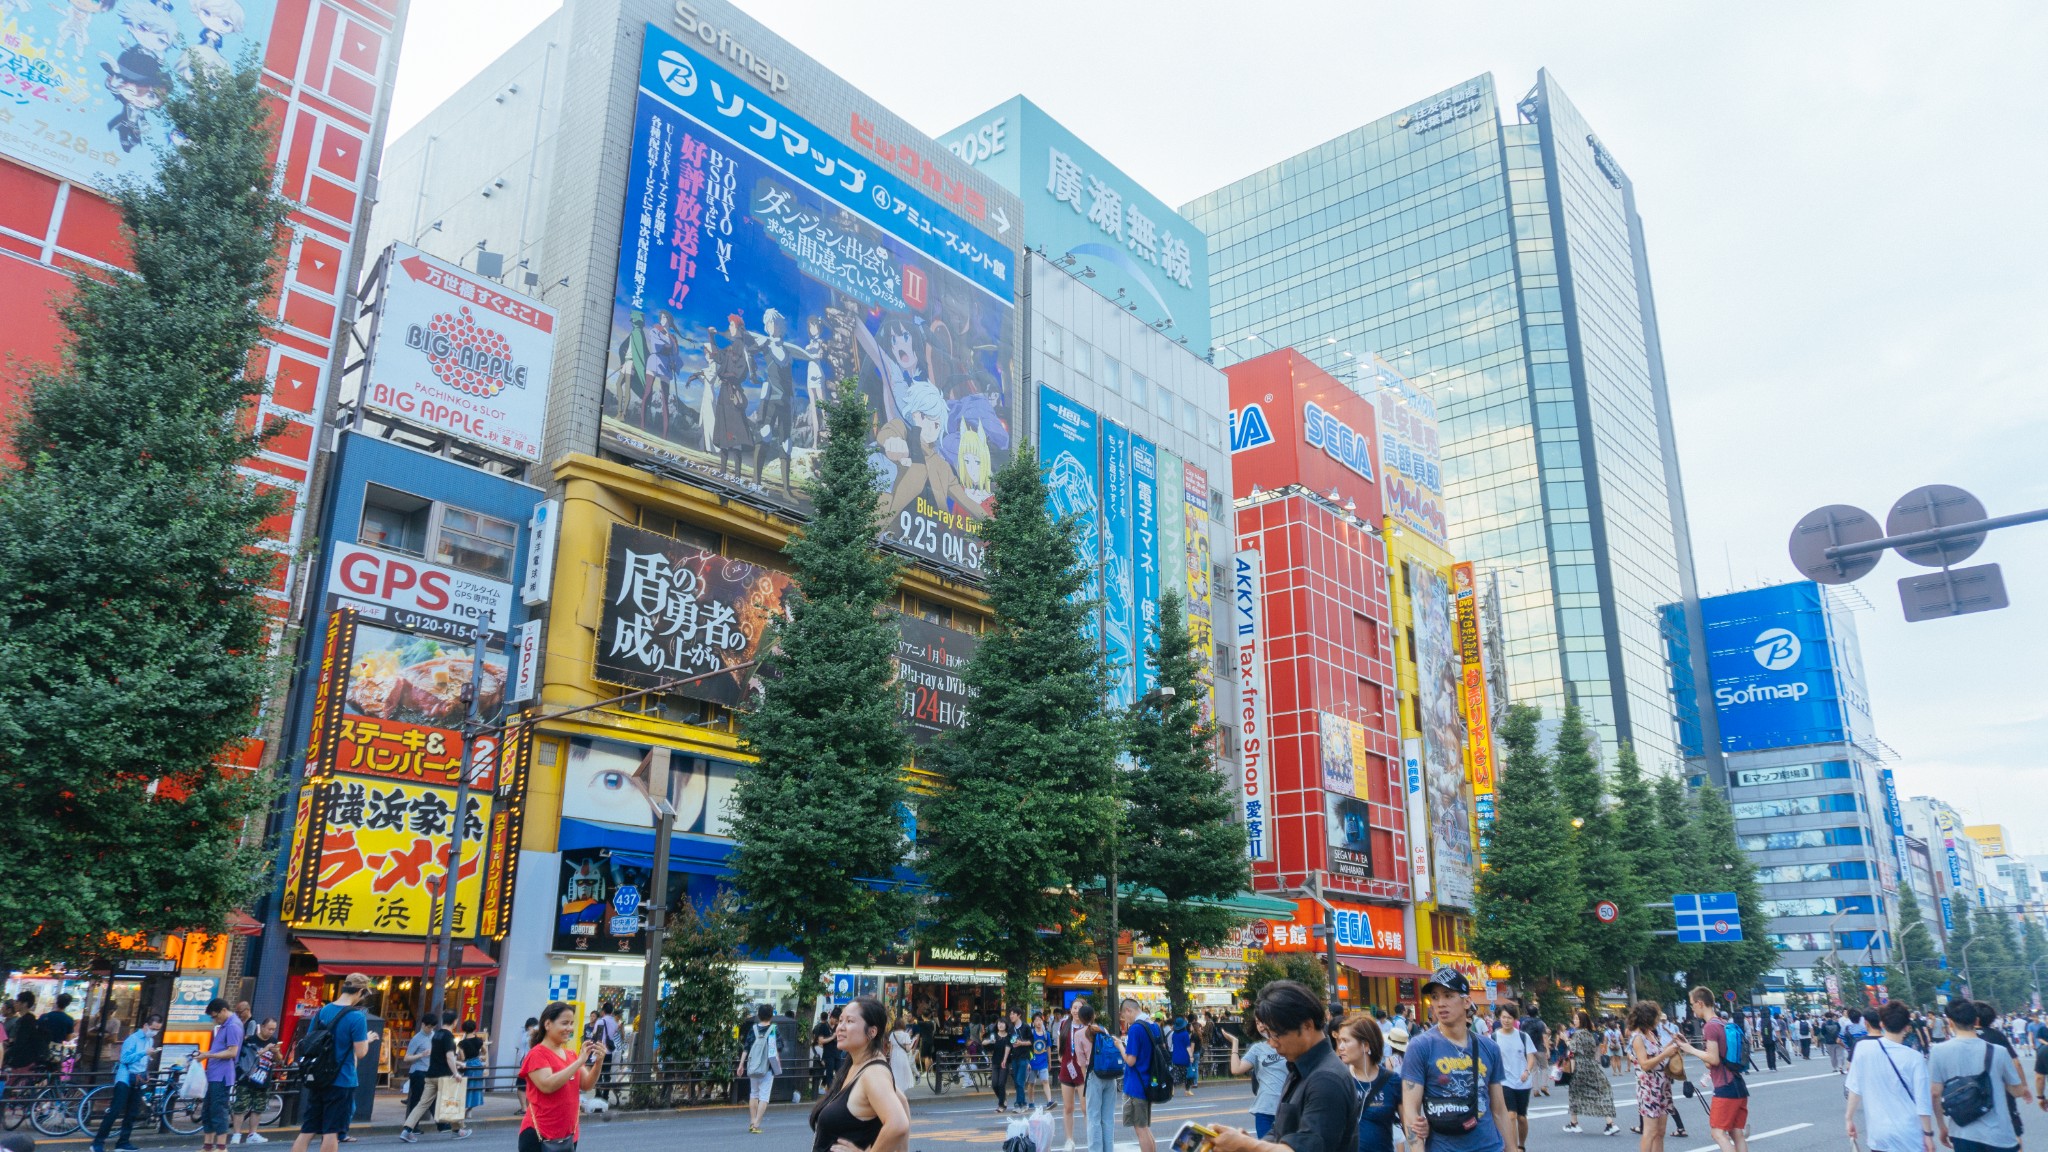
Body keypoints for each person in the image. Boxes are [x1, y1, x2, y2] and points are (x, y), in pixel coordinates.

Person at [1209, 980, 1361, 1152]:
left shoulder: (1326, 1079)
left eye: (1276, 1034)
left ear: (1307, 1025)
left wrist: (1247, 1145)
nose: (1272, 1043)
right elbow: (1280, 1132)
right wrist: (1245, 1144)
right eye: (1268, 1034)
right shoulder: (1298, 1067)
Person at [1393, 967, 1518, 1152]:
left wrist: (1512, 1149)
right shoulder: (1420, 1047)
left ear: (1466, 1001)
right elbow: (1412, 1115)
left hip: (1490, 1146)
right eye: (1435, 997)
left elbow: (1499, 1110)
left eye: (1448, 995)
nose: (1440, 1003)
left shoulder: (1489, 1047)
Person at [807, 996, 909, 1152]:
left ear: (872, 1031)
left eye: (849, 1021)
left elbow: (898, 1124)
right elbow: (902, 1103)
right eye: (840, 1020)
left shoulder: (874, 1073)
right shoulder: (857, 1066)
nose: (840, 1027)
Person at [287, 973, 375, 1152]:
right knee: (331, 1131)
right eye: (363, 994)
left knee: (308, 1129)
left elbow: (309, 1041)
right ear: (359, 991)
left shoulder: (323, 1011)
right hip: (341, 1079)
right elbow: (361, 1052)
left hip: (318, 1077)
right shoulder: (357, 1017)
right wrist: (366, 1039)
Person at [1929, 997, 2024, 1152]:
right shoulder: (1999, 1052)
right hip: (1999, 1134)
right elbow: (2017, 1091)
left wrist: (1942, 1126)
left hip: (1963, 1133)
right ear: (1976, 1020)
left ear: (1950, 1022)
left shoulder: (1938, 1052)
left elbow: (1935, 1094)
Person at [1844, 1002, 1933, 1152]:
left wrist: (1849, 1118)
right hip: (1909, 1135)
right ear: (1906, 1026)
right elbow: (1922, 1100)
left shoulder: (1863, 1048)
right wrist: (1928, 1134)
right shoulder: (1915, 1058)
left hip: (1879, 1134)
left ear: (1882, 1023)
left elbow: (1854, 1088)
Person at [518, 1003, 603, 1152]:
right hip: (539, 1135)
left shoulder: (570, 1055)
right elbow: (547, 1085)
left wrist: (599, 1062)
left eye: (571, 1023)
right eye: (564, 1023)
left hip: (569, 1135)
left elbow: (587, 1084)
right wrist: (579, 1062)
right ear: (548, 1024)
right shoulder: (537, 1054)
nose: (569, 1028)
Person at [1676, 988, 1749, 1152]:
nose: (1692, 1007)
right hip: (1738, 1084)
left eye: (1692, 1004)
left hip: (1725, 1086)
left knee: (1717, 1133)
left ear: (1700, 1003)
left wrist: (1689, 1049)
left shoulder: (1710, 1027)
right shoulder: (1723, 1023)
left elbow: (1713, 1060)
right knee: (1737, 1133)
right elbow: (1713, 1060)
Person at [90, 1013, 159, 1152]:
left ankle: (123, 1142)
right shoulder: (132, 1039)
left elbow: (143, 1060)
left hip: (139, 1079)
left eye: (157, 1029)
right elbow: (125, 1059)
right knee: (115, 1110)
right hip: (125, 1078)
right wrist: (144, 1053)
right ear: (145, 1026)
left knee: (132, 1112)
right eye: (153, 1028)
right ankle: (98, 1143)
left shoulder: (149, 1041)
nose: (154, 1032)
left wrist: (146, 1068)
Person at [1336, 1012, 1401, 1152]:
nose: (1340, 1047)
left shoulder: (1392, 1081)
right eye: (1339, 1041)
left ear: (1366, 1045)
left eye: (1346, 1041)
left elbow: (1410, 1127)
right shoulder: (1338, 1081)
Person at [399, 1010, 465, 1141]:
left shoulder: (436, 1035)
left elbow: (437, 1055)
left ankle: (407, 1130)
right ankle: (457, 1131)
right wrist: (456, 1073)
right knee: (451, 1102)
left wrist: (458, 1063)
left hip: (430, 1075)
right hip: (442, 1075)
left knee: (422, 1103)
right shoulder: (448, 1036)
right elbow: (449, 1056)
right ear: (455, 1022)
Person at [191, 998, 243, 1152]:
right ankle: (208, 1146)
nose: (215, 1020)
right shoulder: (226, 1024)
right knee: (208, 1109)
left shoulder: (233, 1026)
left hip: (222, 1075)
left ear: (223, 1011)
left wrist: (208, 1055)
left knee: (218, 1110)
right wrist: (207, 1054)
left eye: (215, 1016)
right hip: (214, 1074)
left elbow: (232, 1052)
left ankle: (221, 1147)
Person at [1229, 1014, 1292, 1140]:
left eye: (1263, 1021)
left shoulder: (1290, 1045)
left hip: (1287, 1110)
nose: (1261, 1026)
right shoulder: (1258, 1049)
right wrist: (1235, 1043)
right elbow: (1236, 1069)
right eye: (1257, 1023)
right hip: (1265, 1111)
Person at [1628, 1001, 1680, 1152]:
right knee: (1650, 1132)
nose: (1658, 1020)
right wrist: (1665, 1053)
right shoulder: (1638, 1037)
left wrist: (1673, 1043)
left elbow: (1657, 1053)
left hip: (1662, 1085)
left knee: (1660, 1132)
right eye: (1656, 1017)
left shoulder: (1650, 1033)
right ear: (1647, 1018)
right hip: (1649, 1088)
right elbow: (1644, 1064)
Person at [1564, 1009, 1619, 1136]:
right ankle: (1610, 1123)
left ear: (1582, 1021)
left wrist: (1566, 1039)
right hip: (1592, 1065)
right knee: (1599, 1093)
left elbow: (1572, 1050)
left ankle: (1574, 1124)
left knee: (1574, 1094)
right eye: (1574, 1018)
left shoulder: (1578, 1034)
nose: (1574, 1021)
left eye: (1577, 1019)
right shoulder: (1590, 1034)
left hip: (1580, 1066)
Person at [1490, 1002, 1538, 1147]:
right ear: (1499, 1018)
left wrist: (1527, 1071)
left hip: (1522, 1081)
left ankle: (1521, 1145)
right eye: (1503, 1017)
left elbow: (1531, 1057)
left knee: (1521, 1118)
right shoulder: (1494, 1037)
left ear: (1515, 1019)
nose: (1506, 1020)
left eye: (1509, 1018)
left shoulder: (1523, 1036)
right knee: (1511, 1115)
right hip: (1504, 1081)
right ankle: (1512, 1147)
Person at [1118, 999, 1162, 1152]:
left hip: (1136, 1085)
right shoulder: (1153, 1025)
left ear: (1128, 1010)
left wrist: (1120, 1046)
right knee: (1144, 1127)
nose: (1125, 1021)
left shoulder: (1136, 1029)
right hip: (1148, 1081)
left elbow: (1130, 1060)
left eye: (1124, 1016)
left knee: (1140, 1129)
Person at [1080, 1002, 1121, 1152]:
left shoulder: (1080, 1034)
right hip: (1110, 1076)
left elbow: (1081, 1062)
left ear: (1080, 1018)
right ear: (1094, 1015)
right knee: (1108, 1119)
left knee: (1093, 1118)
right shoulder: (1103, 1029)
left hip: (1094, 1076)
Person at [231, 1017, 279, 1145]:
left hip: (263, 1080)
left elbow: (280, 1061)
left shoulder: (274, 1042)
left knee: (258, 1108)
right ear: (262, 1027)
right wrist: (265, 1049)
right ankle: (236, 1134)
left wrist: (276, 1052)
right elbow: (248, 1057)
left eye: (273, 1029)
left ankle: (252, 1133)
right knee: (240, 1106)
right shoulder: (250, 1040)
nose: (271, 1032)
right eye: (269, 1029)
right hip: (246, 1079)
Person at [1057, 999, 1093, 1152]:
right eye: (1074, 1007)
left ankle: (1091, 1139)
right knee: (1068, 1107)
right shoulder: (1064, 1024)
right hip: (1067, 1069)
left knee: (1085, 1108)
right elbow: (1060, 1047)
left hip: (1083, 1071)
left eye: (1079, 1008)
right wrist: (1063, 1059)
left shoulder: (1088, 1027)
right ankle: (1069, 1140)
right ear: (1070, 1009)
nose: (1076, 1011)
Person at [739, 1004, 779, 1135]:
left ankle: (752, 1121)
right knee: (764, 1096)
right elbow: (777, 1048)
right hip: (767, 1068)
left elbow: (746, 1048)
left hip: (753, 1066)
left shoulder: (753, 1029)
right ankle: (756, 1124)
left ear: (759, 1015)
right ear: (771, 1015)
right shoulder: (773, 1029)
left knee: (754, 1094)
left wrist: (741, 1065)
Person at [403, 1016, 437, 1120]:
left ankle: (442, 1124)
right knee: (417, 1100)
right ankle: (412, 1126)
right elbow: (406, 1058)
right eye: (428, 1027)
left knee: (431, 1099)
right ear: (423, 1025)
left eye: (432, 1027)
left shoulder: (434, 1035)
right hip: (418, 1072)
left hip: (430, 1071)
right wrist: (421, 1054)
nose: (430, 1029)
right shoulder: (417, 1038)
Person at [1007, 1008, 1036, 1115]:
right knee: (1017, 1082)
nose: (1011, 1016)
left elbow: (1031, 1042)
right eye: (1010, 1014)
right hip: (1014, 1057)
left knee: (1020, 1081)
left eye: (1013, 1014)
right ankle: (1022, 1103)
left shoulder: (1026, 1027)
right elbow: (1010, 1042)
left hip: (1024, 1057)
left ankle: (1019, 1104)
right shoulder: (1010, 1029)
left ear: (1019, 1015)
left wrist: (1021, 1043)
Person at [458, 1021, 486, 1114]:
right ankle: (470, 1110)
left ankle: (465, 1108)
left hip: (468, 1065)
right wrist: (479, 1056)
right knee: (476, 1088)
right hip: (478, 1065)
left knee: (467, 1087)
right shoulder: (479, 1040)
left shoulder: (462, 1043)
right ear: (474, 1029)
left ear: (464, 1030)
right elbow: (484, 1051)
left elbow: (462, 1058)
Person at [887, 1013, 915, 1098]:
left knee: (895, 1074)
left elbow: (890, 1049)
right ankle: (901, 1094)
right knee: (903, 1075)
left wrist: (890, 1060)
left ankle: (896, 1092)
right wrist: (913, 1040)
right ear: (903, 1025)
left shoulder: (892, 1034)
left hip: (895, 1056)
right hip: (902, 1056)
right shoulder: (905, 1035)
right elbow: (908, 1049)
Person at [1030, 1012, 1053, 1108]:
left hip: (1043, 1061)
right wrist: (1028, 1061)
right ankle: (1031, 1102)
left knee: (1045, 1081)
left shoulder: (1046, 1034)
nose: (1038, 1022)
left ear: (1042, 1021)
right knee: (1031, 1083)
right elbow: (1028, 1048)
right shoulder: (1031, 1034)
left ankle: (1049, 1101)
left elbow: (1048, 1048)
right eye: (1036, 1020)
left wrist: (1049, 1062)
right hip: (1032, 1061)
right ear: (1033, 1023)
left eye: (1040, 1020)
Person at [1172, 1017, 1199, 1096]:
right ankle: (1187, 1090)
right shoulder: (1185, 1034)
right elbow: (1188, 1047)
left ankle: (1172, 1089)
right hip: (1184, 1057)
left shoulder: (1174, 1034)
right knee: (1188, 1074)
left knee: (1176, 1074)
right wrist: (1191, 1056)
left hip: (1175, 1056)